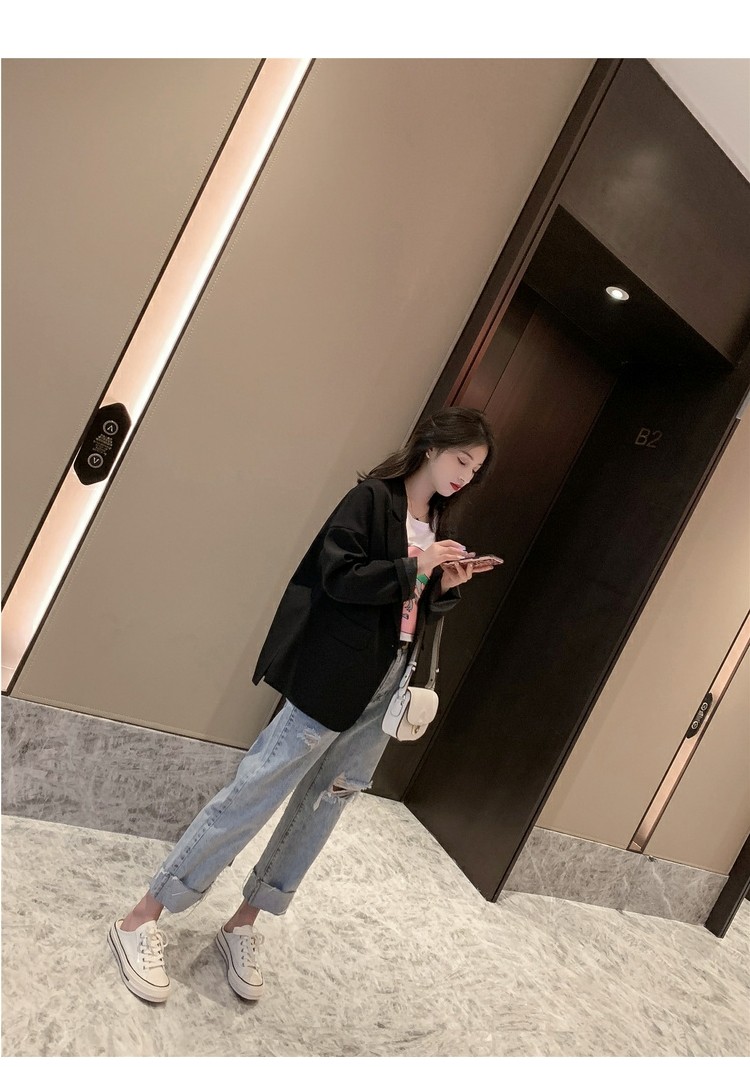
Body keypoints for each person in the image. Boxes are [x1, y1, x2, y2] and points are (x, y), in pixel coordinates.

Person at [108, 407, 496, 1003]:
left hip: (389, 683)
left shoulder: (436, 522)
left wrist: (443, 586)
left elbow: (410, 614)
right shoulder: (371, 499)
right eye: (461, 460)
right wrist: (415, 564)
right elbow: (338, 577)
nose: (465, 476)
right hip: (332, 676)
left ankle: (242, 924)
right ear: (431, 446)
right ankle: (141, 918)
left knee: (324, 806)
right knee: (256, 790)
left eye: (475, 470)